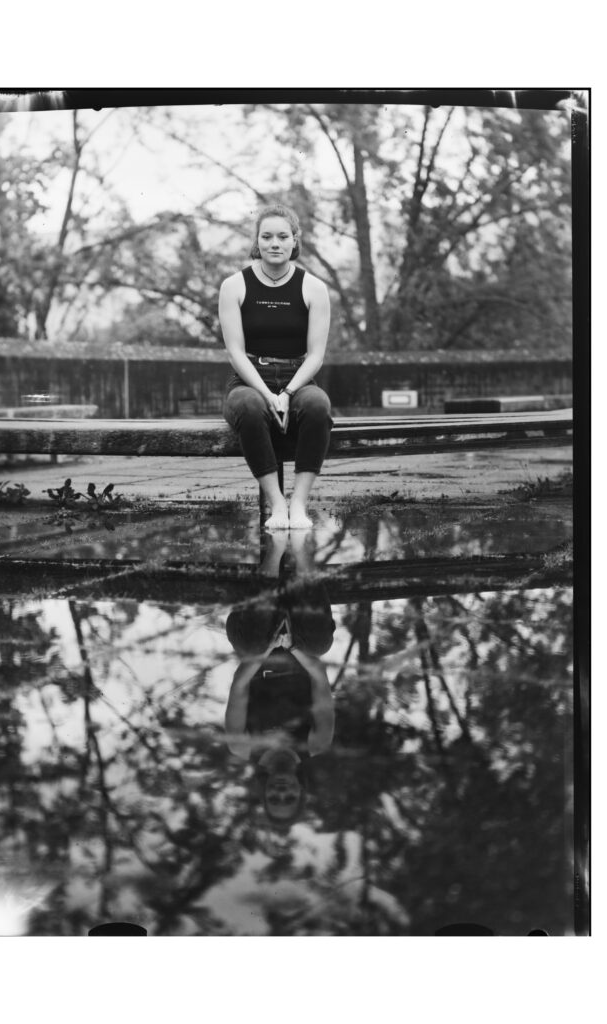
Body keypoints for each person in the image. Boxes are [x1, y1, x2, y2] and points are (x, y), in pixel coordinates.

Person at [220, 204, 333, 530]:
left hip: (298, 378)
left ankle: (298, 504)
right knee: (251, 405)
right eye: (266, 236)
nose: (274, 243)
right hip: (248, 379)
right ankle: (277, 505)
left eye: (283, 236)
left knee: (317, 404)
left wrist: (288, 392)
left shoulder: (314, 288)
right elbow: (236, 352)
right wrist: (267, 394)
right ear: (257, 241)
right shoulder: (234, 286)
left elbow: (316, 355)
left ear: (294, 240)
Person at [223, 534, 336, 829]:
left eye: (275, 798)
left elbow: (239, 685)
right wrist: (293, 646)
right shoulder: (317, 742)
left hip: (256, 636)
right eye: (290, 798)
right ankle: (299, 549)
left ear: (264, 793)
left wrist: (268, 649)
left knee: (249, 645)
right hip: (300, 640)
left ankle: (274, 551)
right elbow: (321, 679)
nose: (282, 793)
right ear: (300, 791)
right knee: (321, 644)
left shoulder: (242, 746)